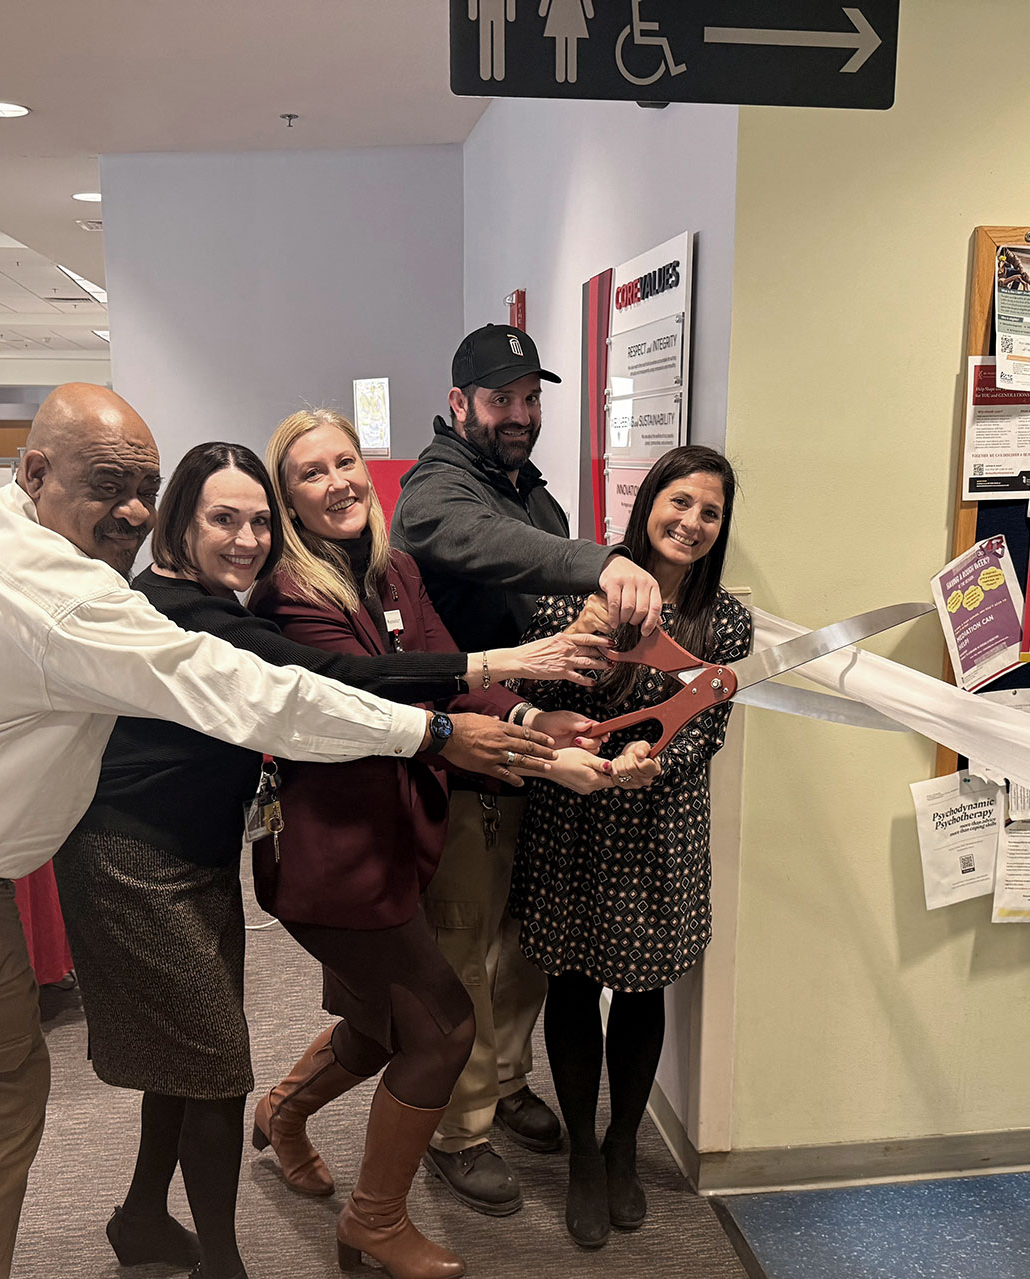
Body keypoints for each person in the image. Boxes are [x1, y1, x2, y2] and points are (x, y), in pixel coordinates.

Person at [0, 385, 558, 1279]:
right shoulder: (84, 605)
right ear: (35, 472)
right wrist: (438, 730)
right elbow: (259, 693)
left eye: (143, 483)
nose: (130, 509)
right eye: (107, 485)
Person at [54, 442, 606, 1279]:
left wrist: (524, 716)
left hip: (213, 851)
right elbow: (342, 679)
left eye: (254, 521)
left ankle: (148, 1212)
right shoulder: (217, 608)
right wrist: (498, 688)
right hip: (166, 858)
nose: (245, 536)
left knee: (202, 1058)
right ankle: (260, 1255)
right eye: (225, 517)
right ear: (182, 521)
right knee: (232, 1064)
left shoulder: (383, 574)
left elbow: (421, 669)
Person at [248, 409, 652, 1279]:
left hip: (402, 836)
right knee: (440, 1027)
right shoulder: (290, 592)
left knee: (376, 1022)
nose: (338, 483)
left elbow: (444, 664)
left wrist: (535, 720)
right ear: (287, 501)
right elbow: (385, 699)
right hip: (336, 855)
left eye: (345, 461)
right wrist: (516, 736)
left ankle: (281, 1110)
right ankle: (374, 1220)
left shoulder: (393, 570)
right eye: (311, 474)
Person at [389, 323, 664, 1215]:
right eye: (501, 399)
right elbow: (482, 543)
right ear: (460, 403)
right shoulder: (437, 487)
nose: (520, 415)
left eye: (531, 398)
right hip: (469, 753)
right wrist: (604, 561)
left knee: (521, 949)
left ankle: (504, 1083)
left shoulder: (528, 489)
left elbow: (540, 578)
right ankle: (458, 1128)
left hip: (536, 749)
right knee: (464, 947)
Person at [509, 445, 752, 1247]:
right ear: (648, 502)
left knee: (642, 992)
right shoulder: (571, 595)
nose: (690, 522)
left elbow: (707, 723)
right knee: (573, 988)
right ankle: (583, 1151)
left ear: (721, 529)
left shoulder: (725, 621)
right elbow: (534, 694)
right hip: (573, 817)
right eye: (678, 502)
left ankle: (624, 1147)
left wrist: (655, 764)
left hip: (661, 823)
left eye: (709, 512)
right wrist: (581, 730)